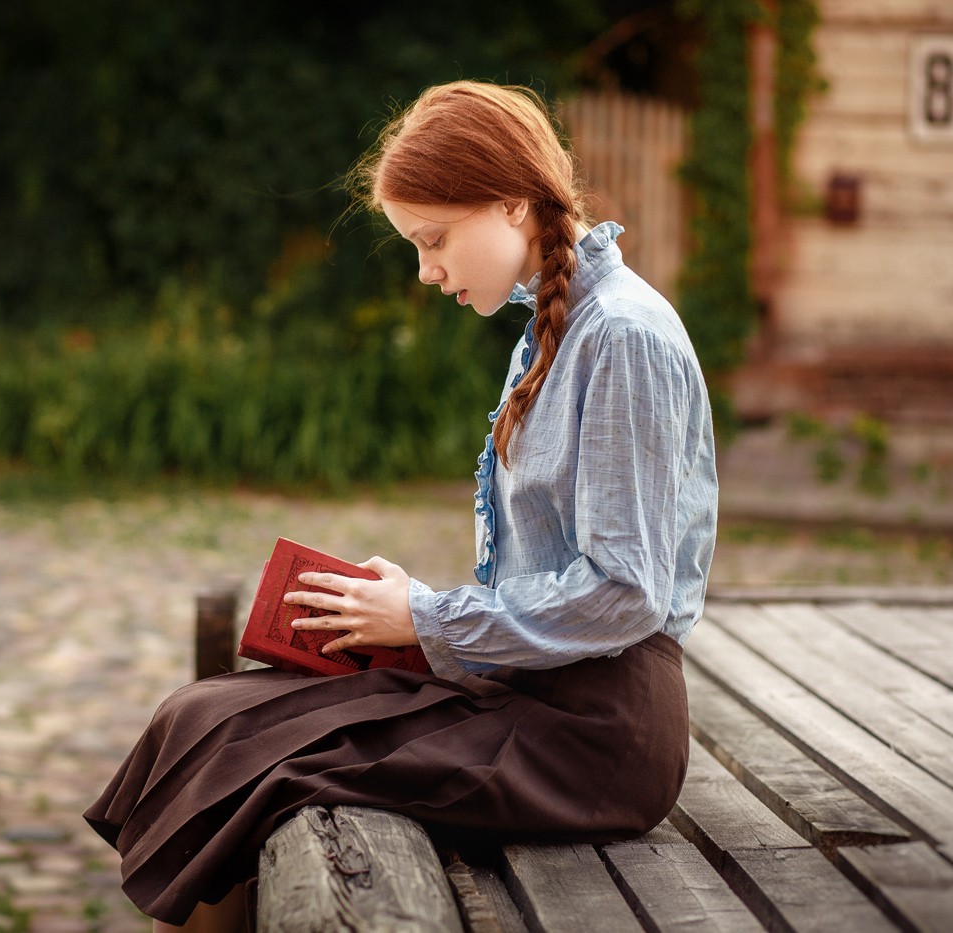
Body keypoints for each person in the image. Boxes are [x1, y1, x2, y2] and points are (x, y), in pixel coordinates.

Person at [84, 80, 718, 932]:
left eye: (433, 240)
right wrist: (409, 616)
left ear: (509, 202)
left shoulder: (623, 337)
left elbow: (624, 593)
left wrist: (426, 617)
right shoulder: (557, 325)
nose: (427, 271)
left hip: (595, 738)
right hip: (529, 692)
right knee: (201, 713)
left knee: (264, 768)